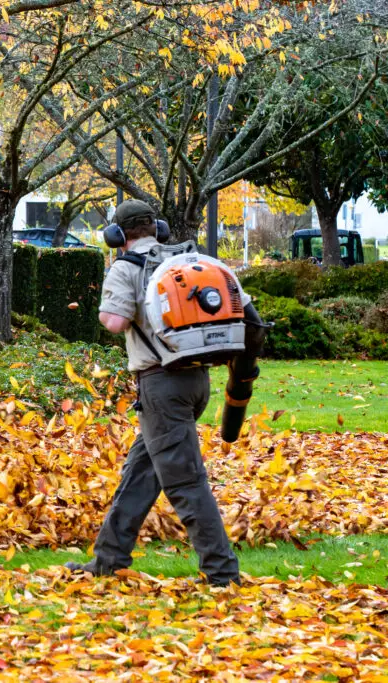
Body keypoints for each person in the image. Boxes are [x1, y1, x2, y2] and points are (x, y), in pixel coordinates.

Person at [65, 199, 241, 586]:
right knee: (141, 472)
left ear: (117, 236)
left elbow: (113, 322)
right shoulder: (185, 260)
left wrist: (103, 306)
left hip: (160, 385)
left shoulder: (126, 268)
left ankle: (222, 573)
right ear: (156, 228)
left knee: (185, 481)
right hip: (196, 380)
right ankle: (108, 559)